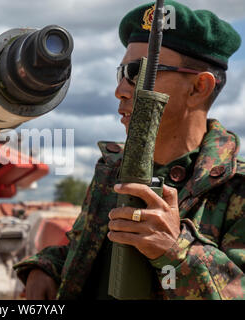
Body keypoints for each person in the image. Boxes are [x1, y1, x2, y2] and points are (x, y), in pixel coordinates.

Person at [14, 0, 244, 300]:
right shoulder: (113, 169)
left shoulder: (235, 188)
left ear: (199, 87)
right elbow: (88, 249)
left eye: (138, 72)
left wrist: (176, 253)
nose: (120, 89)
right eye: (121, 71)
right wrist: (46, 267)